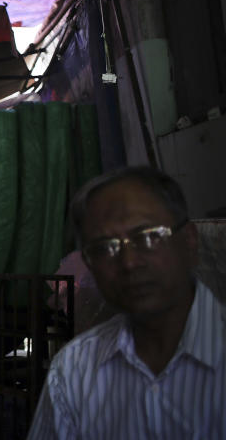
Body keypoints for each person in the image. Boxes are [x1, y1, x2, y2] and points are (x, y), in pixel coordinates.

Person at [27, 166, 225, 439]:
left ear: (189, 241)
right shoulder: (74, 369)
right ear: (90, 265)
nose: (129, 262)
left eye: (149, 237)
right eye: (105, 247)